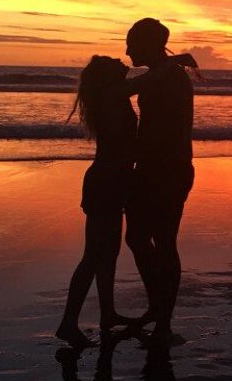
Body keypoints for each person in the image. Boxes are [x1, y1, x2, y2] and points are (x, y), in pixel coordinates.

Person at [56, 51, 197, 348]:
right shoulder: (113, 94)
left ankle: (107, 314)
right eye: (113, 62)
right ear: (106, 76)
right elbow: (148, 79)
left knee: (108, 253)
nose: (122, 60)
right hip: (106, 183)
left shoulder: (114, 95)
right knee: (94, 255)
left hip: (113, 181)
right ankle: (68, 323)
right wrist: (174, 60)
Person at [125, 18, 195, 346]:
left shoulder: (170, 77)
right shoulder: (162, 73)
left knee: (164, 242)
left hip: (168, 169)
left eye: (132, 44)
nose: (127, 51)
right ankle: (157, 307)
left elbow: (166, 128)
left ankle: (164, 323)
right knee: (137, 238)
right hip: (150, 168)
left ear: (150, 44)